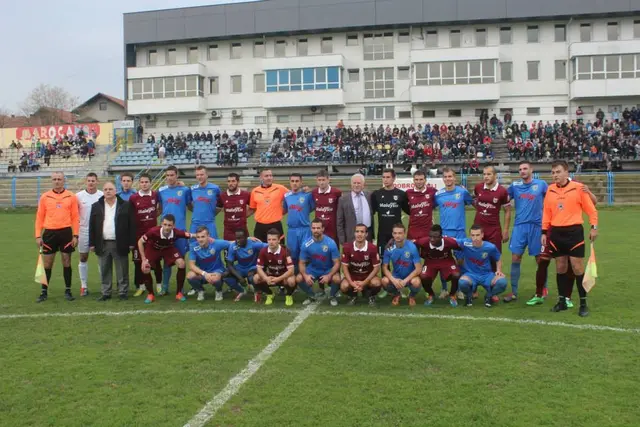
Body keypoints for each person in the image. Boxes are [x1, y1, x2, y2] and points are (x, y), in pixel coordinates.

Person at [542, 160, 598, 317]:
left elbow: (591, 210)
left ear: (567, 172)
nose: (555, 175)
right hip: (556, 234)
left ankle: (583, 303)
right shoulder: (550, 190)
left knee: (577, 267)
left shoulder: (578, 188)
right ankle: (562, 302)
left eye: (558, 172)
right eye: (553, 173)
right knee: (560, 267)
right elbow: (547, 212)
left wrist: (594, 227)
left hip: (574, 233)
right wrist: (544, 232)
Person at [504, 161, 549, 304]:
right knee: (515, 258)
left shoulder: (541, 184)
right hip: (519, 227)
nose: (522, 171)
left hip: (537, 227)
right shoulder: (515, 186)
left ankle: (543, 289)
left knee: (540, 259)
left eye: (525, 169)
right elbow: (501, 197)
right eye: (520, 169)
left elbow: (551, 200)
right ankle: (514, 292)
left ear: (531, 170)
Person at [34, 172, 80, 303]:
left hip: (66, 232)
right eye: (54, 179)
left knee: (66, 261)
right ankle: (43, 292)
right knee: (47, 263)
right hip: (49, 233)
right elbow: (39, 217)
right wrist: (38, 235)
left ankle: (68, 290)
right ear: (51, 181)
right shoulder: (45, 197)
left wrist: (75, 235)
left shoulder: (71, 196)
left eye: (59, 179)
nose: (57, 181)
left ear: (64, 180)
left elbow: (75, 217)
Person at [88, 181, 136, 301]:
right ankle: (106, 292)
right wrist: (92, 243)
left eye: (110, 189)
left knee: (122, 269)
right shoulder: (96, 206)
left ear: (116, 191)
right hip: (102, 242)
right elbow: (92, 226)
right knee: (104, 269)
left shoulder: (125, 205)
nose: (108, 191)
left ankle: (123, 291)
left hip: (120, 242)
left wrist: (131, 242)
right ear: (103, 191)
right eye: (105, 189)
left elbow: (132, 225)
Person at [434, 167, 473, 298]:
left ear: (454, 178)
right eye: (445, 177)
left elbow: (473, 203)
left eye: (450, 176)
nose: (447, 179)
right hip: (444, 233)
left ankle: (460, 289)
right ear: (442, 179)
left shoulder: (462, 192)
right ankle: (444, 289)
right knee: (443, 260)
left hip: (459, 232)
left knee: (461, 261)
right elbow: (430, 208)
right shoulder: (438, 195)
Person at [138, 214, 191, 304]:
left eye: (169, 225)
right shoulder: (153, 231)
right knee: (145, 268)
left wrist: (207, 238)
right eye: (165, 224)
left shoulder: (176, 232)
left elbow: (189, 235)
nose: (167, 227)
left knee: (182, 263)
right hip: (153, 249)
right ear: (161, 224)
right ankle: (150, 294)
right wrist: (143, 259)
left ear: (173, 226)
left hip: (168, 249)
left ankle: (178, 293)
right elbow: (140, 241)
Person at [158, 166, 192, 294]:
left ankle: (180, 288)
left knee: (181, 260)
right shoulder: (161, 191)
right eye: (167, 175)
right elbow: (160, 208)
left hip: (180, 230)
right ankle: (165, 287)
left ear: (177, 176)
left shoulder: (185, 190)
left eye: (172, 175)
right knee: (167, 260)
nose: (169, 178)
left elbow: (190, 206)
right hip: (166, 231)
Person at [457, 225, 508, 308]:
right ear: (470, 236)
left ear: (482, 235)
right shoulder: (465, 243)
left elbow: (498, 258)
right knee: (462, 283)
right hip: (471, 274)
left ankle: (489, 296)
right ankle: (469, 297)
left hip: (486, 275)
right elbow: (452, 241)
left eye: (477, 235)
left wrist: (498, 270)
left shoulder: (490, 247)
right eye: (473, 235)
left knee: (502, 282)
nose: (475, 238)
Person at [128, 173, 161, 297]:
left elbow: (160, 209)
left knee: (156, 261)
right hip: (138, 235)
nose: (144, 184)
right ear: (139, 183)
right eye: (142, 182)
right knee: (139, 262)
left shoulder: (156, 195)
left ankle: (158, 285)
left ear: (150, 183)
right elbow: (131, 216)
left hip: (153, 235)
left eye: (146, 182)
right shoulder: (133, 198)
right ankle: (141, 286)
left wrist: (153, 217)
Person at [414, 225, 461, 308]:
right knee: (423, 276)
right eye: (430, 236)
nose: (432, 239)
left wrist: (459, 258)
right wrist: (420, 255)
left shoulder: (449, 241)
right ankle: (431, 295)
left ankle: (452, 295)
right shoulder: (424, 241)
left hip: (447, 261)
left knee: (456, 275)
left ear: (441, 237)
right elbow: (414, 243)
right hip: (430, 262)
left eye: (435, 237)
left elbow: (461, 246)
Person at [297, 219, 341, 306]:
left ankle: (332, 296)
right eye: (313, 228)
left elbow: (337, 263)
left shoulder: (330, 243)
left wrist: (329, 275)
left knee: (337, 278)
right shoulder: (306, 244)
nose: (316, 230)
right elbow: (301, 263)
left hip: (327, 269)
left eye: (318, 228)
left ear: (323, 229)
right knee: (298, 278)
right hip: (313, 269)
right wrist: (305, 276)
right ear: (311, 229)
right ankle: (311, 295)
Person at [186, 226, 235, 302]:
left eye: (203, 237)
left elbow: (231, 243)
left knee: (215, 278)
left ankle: (218, 291)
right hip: (203, 273)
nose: (200, 239)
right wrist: (204, 273)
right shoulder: (193, 246)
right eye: (198, 237)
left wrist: (248, 239)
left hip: (217, 271)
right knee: (190, 275)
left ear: (208, 236)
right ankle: (200, 290)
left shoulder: (216, 243)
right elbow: (191, 265)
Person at [340, 224, 382, 307]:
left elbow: (376, 268)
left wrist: (364, 283)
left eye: (362, 232)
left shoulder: (372, 248)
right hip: (353, 277)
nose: (359, 234)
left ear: (366, 234)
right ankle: (353, 296)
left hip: (367, 276)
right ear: (354, 233)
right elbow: (344, 267)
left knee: (377, 283)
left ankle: (370, 295)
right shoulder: (347, 247)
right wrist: (352, 283)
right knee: (344, 286)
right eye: (357, 231)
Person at [381, 223, 422, 306]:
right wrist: (393, 280)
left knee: (417, 282)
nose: (397, 236)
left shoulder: (412, 247)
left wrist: (405, 281)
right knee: (384, 281)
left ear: (404, 233)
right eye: (395, 233)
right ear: (392, 234)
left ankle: (412, 296)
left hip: (410, 277)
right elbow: (384, 268)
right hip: (396, 277)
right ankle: (396, 295)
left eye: (400, 233)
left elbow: (418, 268)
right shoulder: (389, 248)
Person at [76, 172, 103, 297]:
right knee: (83, 257)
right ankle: (84, 286)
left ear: (97, 181)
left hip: (100, 231)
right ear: (85, 182)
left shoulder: (102, 195)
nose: (91, 183)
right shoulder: (78, 196)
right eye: (89, 181)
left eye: (93, 180)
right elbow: (74, 215)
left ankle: (104, 284)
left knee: (101, 258)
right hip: (84, 230)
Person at [254, 228, 296, 306]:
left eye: (274, 239)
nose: (271, 242)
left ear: (279, 240)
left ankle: (289, 295)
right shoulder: (263, 251)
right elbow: (259, 268)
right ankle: (269, 294)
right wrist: (266, 278)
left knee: (291, 281)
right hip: (270, 275)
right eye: (269, 239)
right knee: (256, 278)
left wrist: (278, 279)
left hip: (283, 276)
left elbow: (291, 271)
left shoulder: (286, 251)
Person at [371, 169, 408, 257]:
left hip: (397, 234)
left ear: (394, 178)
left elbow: (409, 211)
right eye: (383, 177)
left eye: (388, 177)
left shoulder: (401, 194)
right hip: (382, 234)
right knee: (383, 260)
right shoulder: (376, 194)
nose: (385, 180)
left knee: (399, 260)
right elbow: (371, 212)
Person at [283, 173, 315, 270]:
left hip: (305, 229)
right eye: (292, 181)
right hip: (292, 230)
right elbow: (285, 209)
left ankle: (307, 277)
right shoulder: (286, 196)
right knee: (293, 255)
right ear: (289, 182)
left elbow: (312, 208)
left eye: (297, 181)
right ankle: (295, 277)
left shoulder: (308, 195)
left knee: (306, 254)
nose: (294, 183)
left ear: (301, 182)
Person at [225, 229, 267, 301]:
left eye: (240, 238)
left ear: (246, 237)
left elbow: (269, 246)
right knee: (225, 275)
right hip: (241, 268)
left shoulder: (254, 244)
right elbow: (229, 265)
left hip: (253, 267)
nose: (237, 240)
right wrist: (240, 278)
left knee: (251, 276)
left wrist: (282, 247)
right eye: (236, 238)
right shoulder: (233, 246)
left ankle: (256, 291)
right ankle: (241, 290)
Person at [250, 168, 288, 242]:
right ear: (261, 177)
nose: (269, 178)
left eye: (270, 175)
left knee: (279, 249)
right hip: (260, 226)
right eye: (266, 176)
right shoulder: (255, 191)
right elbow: (252, 208)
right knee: (260, 250)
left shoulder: (280, 188)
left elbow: (292, 196)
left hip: (275, 225)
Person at [336, 173, 374, 246]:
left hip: (367, 236)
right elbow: (339, 222)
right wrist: (342, 240)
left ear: (363, 184)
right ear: (351, 184)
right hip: (351, 237)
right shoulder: (343, 199)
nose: (356, 185)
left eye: (359, 183)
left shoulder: (369, 196)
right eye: (354, 183)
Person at [218, 173, 252, 241]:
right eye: (229, 181)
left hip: (242, 230)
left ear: (238, 182)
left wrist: (245, 215)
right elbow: (217, 208)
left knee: (243, 250)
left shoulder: (246, 194)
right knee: (229, 250)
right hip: (228, 231)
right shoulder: (222, 196)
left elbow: (253, 207)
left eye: (233, 181)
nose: (230, 183)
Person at [190, 165, 221, 238]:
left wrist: (212, 213)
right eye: (197, 175)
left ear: (207, 175)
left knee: (212, 245)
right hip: (195, 223)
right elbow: (189, 204)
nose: (199, 177)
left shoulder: (215, 188)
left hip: (209, 223)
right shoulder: (192, 189)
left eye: (202, 174)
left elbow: (220, 204)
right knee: (194, 246)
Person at [312, 169, 342, 243]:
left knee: (333, 251)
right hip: (318, 229)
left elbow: (340, 210)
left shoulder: (336, 192)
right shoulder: (314, 192)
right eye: (319, 180)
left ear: (328, 179)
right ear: (316, 180)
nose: (321, 182)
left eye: (323, 180)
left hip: (332, 229)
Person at [406, 170, 437, 241]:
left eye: (421, 179)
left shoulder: (432, 191)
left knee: (427, 252)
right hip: (413, 231)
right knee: (413, 252)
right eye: (416, 179)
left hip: (428, 231)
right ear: (413, 180)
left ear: (425, 180)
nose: (419, 182)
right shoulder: (408, 193)